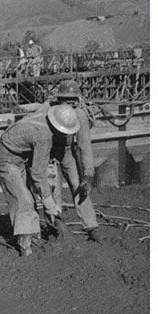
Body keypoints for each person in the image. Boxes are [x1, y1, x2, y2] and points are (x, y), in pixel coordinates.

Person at [0, 104, 74, 256]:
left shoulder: (45, 112)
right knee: (24, 200)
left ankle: (34, 235)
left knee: (30, 196)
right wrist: (49, 203)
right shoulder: (44, 137)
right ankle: (25, 247)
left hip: (19, 157)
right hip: (5, 160)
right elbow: (38, 173)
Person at [52, 79, 100, 242]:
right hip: (49, 153)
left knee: (78, 185)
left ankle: (91, 227)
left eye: (73, 101)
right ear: (58, 101)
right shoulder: (49, 112)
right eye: (66, 101)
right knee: (53, 190)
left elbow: (84, 146)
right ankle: (55, 227)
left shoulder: (79, 115)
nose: (70, 105)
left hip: (67, 152)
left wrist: (88, 174)